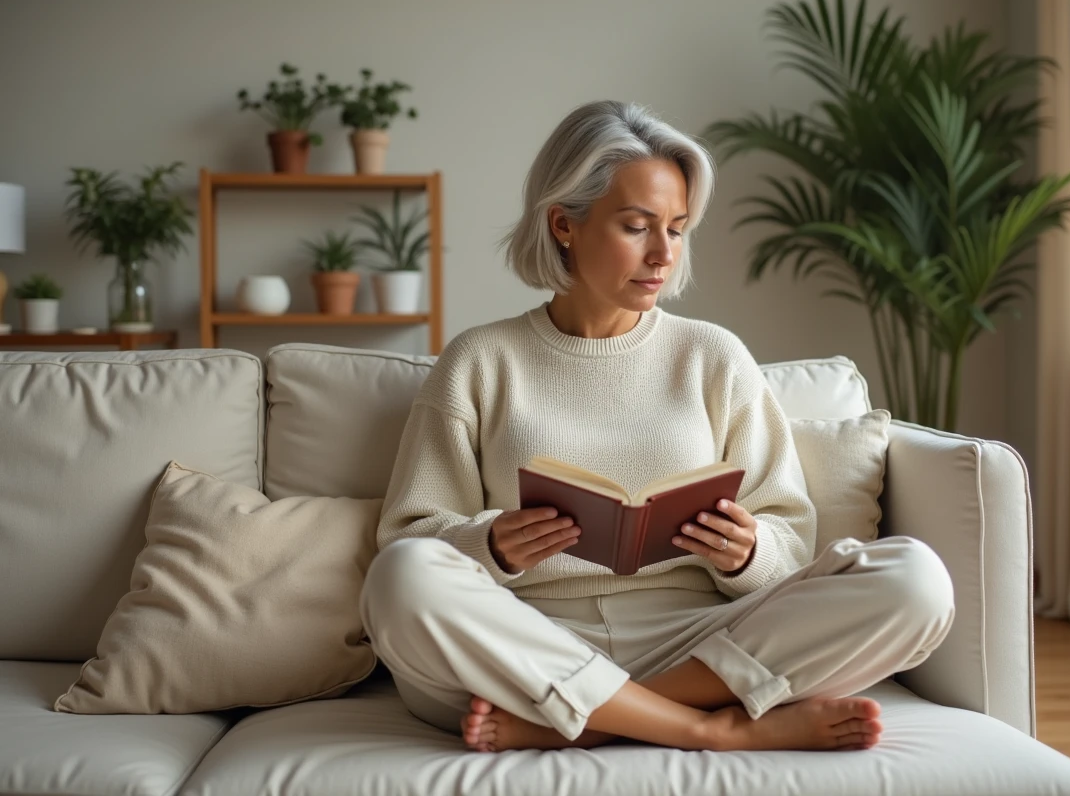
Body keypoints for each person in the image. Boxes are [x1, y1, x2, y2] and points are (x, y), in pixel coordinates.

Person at [360, 99, 955, 754]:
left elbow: (793, 537)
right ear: (564, 224)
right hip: (527, 643)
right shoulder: (480, 361)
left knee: (916, 580)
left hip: (703, 641)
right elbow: (407, 536)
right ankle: (706, 728)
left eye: (676, 228)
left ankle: (585, 720)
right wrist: (493, 545)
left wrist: (747, 551)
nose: (662, 253)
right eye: (637, 226)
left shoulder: (713, 356)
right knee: (403, 577)